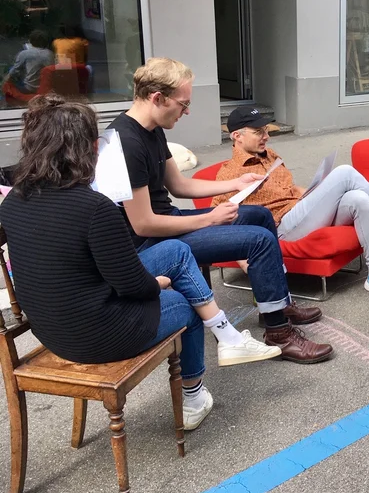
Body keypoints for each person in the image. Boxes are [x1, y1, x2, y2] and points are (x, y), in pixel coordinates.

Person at [0, 96, 282, 431]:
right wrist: (161, 284)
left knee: (176, 251)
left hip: (50, 331)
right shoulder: (94, 207)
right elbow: (132, 285)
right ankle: (193, 395)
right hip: (99, 334)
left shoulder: (14, 201)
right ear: (91, 147)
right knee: (186, 304)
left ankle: (230, 339)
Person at [109, 57, 333, 364]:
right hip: (153, 243)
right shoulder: (126, 143)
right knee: (259, 240)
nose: (186, 112)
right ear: (157, 98)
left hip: (170, 223)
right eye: (183, 104)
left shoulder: (152, 129)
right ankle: (279, 333)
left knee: (260, 216)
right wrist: (210, 218)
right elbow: (143, 224)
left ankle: (277, 304)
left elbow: (180, 187)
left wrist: (236, 183)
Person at [212, 107, 369, 302]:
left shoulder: (270, 155)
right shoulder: (229, 174)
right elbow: (217, 217)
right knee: (344, 173)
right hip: (281, 228)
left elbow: (290, 188)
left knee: (359, 199)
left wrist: (318, 193)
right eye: (259, 132)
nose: (266, 136)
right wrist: (241, 258)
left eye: (266, 130)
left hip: (302, 211)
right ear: (237, 136)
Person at [2, 30, 54, 96]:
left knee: (9, 71)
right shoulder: (50, 53)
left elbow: (14, 72)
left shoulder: (24, 53)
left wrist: (4, 81)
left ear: (30, 41)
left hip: (29, 88)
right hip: (46, 88)